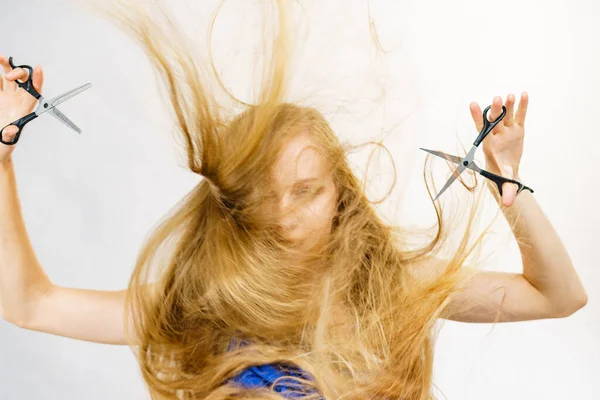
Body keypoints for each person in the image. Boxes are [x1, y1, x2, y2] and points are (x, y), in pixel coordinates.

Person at [0, 1, 587, 399]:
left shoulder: (394, 284)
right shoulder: (202, 303)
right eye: (265, 195)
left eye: (307, 192)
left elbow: (558, 296)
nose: (284, 215)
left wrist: (510, 187)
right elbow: (31, 304)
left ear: (340, 195)